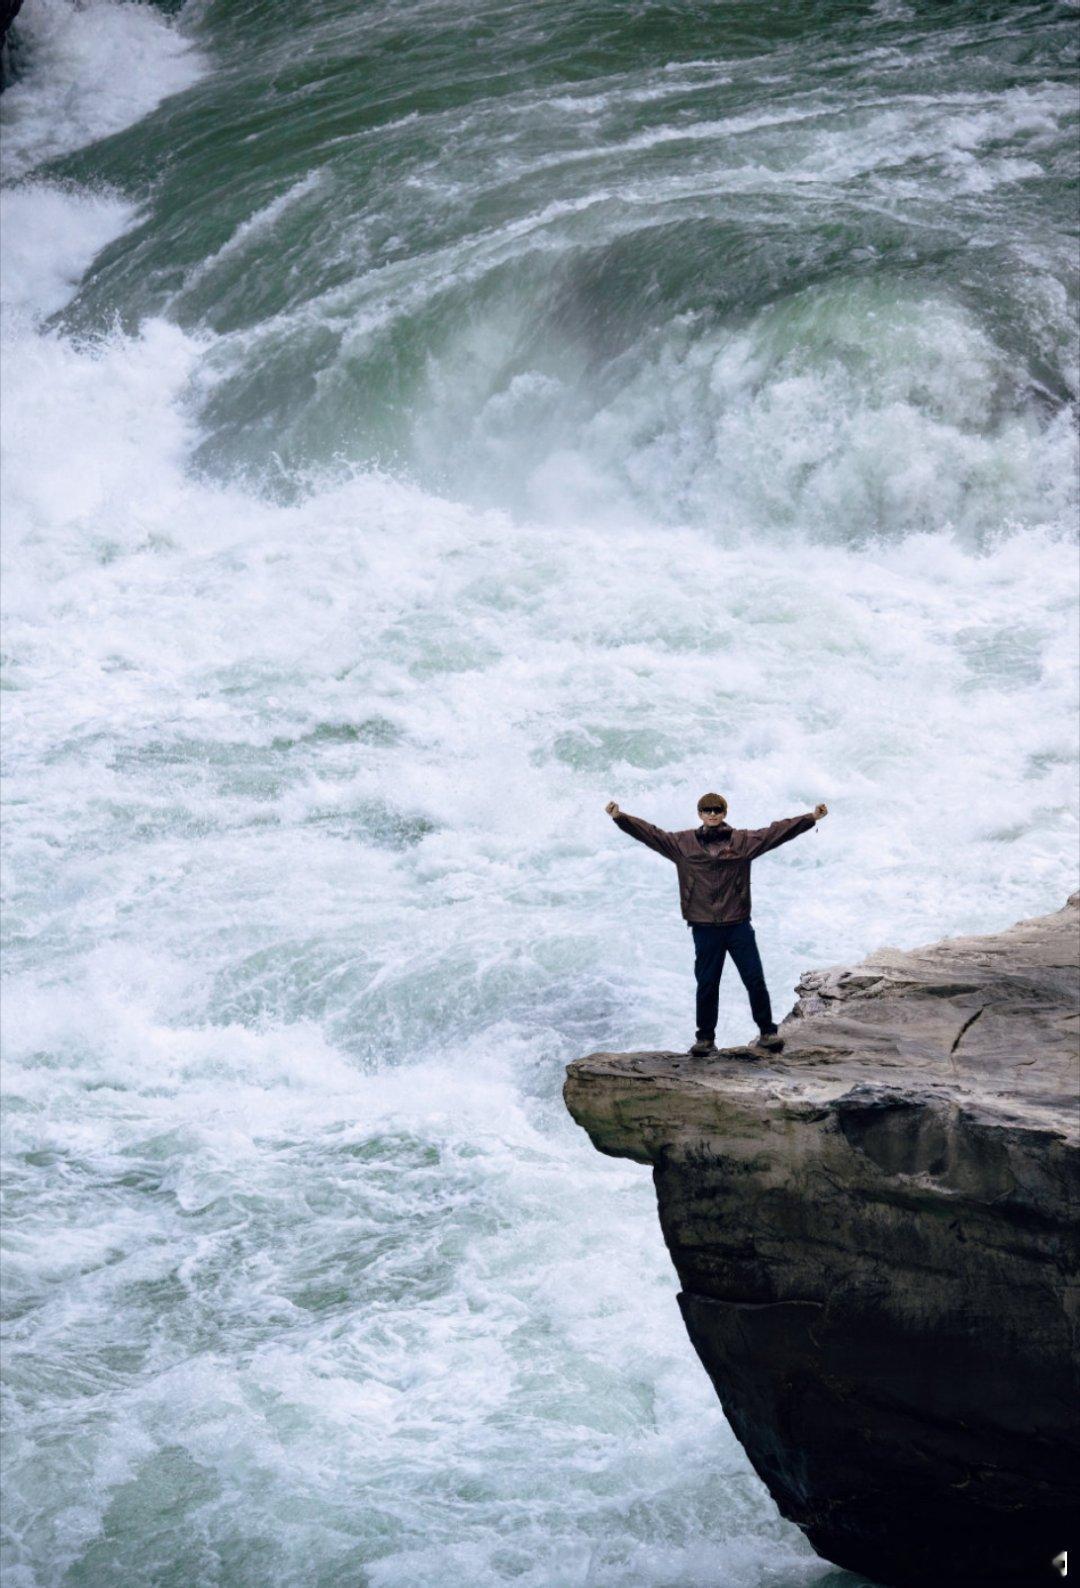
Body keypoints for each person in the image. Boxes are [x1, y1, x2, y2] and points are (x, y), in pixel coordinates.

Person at [605, 792, 828, 1057]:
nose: (712, 814)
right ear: (699, 813)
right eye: (707, 810)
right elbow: (650, 834)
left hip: (738, 925)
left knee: (754, 979)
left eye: (717, 810)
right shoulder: (682, 844)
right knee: (708, 983)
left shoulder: (743, 842)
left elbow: (776, 832)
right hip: (704, 927)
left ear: (724, 813)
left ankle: (768, 1032)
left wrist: (811, 817)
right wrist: (620, 817)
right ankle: (705, 1039)